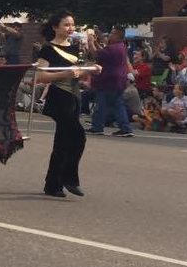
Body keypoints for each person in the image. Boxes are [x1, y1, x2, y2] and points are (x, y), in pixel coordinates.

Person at [35, 11, 96, 198]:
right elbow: (41, 76)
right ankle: (69, 178)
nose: (70, 28)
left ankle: (53, 184)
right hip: (59, 96)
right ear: (55, 27)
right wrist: (65, 74)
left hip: (74, 96)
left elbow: (77, 73)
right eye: (66, 25)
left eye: (72, 25)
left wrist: (89, 70)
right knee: (78, 136)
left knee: (62, 142)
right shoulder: (47, 49)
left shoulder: (73, 47)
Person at [86, 27, 134, 137]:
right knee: (118, 104)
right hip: (118, 80)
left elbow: (97, 54)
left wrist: (90, 42)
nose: (110, 35)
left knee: (101, 104)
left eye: (112, 34)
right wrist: (98, 38)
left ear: (118, 36)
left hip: (108, 80)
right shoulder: (120, 47)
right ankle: (125, 128)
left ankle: (97, 126)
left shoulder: (114, 49)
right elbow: (104, 50)